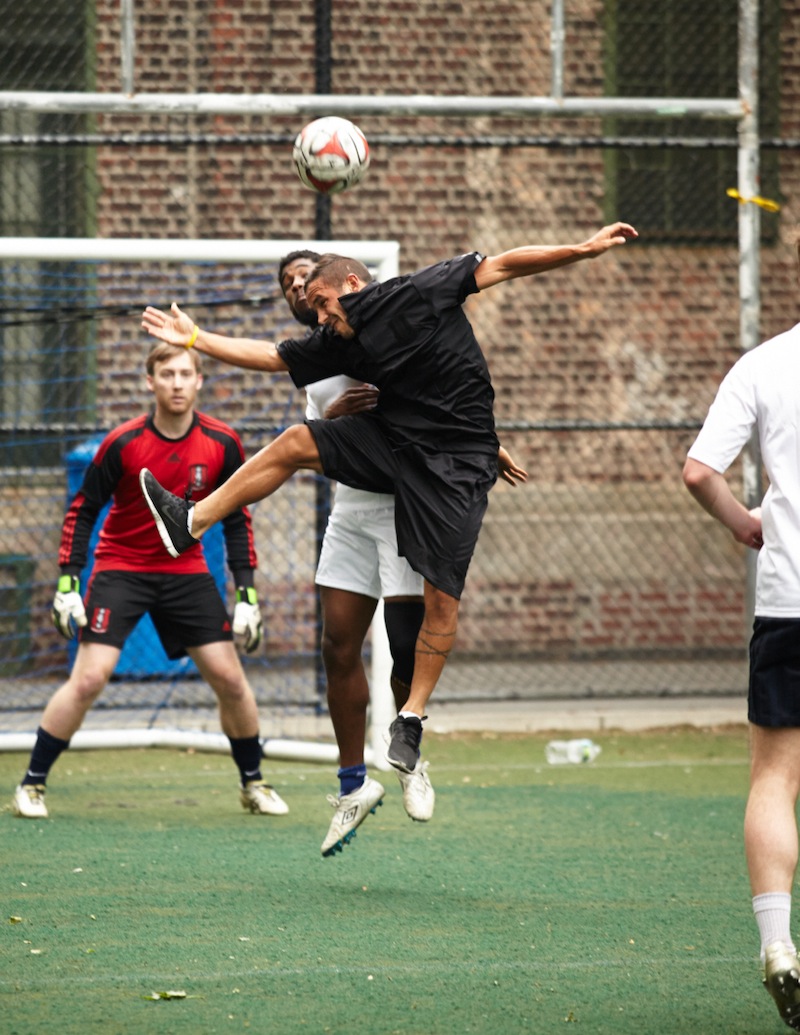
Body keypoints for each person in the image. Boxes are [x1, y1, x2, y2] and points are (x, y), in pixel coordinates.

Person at [139, 223, 635, 786]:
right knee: (296, 441)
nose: (317, 312)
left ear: (351, 281)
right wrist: (196, 339)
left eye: (321, 299)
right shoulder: (337, 339)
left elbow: (503, 265)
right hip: (394, 448)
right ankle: (192, 519)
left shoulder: (417, 291)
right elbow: (273, 356)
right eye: (303, 300)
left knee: (440, 603)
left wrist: (581, 249)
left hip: (455, 463)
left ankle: (412, 720)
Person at [11, 343, 289, 820]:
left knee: (230, 679)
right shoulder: (122, 442)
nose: (177, 383)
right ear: (150, 381)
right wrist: (67, 583)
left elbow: (237, 519)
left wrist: (247, 596)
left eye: (186, 373)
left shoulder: (222, 443)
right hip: (122, 569)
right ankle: (32, 785)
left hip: (187, 572)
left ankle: (253, 783)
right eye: (167, 374)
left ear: (199, 381)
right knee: (90, 678)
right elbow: (82, 512)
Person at [280, 249, 429, 856]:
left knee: (401, 648)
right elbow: (318, 454)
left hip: (405, 506)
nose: (298, 288)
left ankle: (411, 757)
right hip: (351, 509)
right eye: (288, 285)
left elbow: (431, 403)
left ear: (334, 284)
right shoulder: (310, 366)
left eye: (306, 279)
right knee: (337, 644)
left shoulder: (386, 334)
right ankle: (351, 786)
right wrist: (332, 424)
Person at [683, 306, 800, 1030]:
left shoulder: (763, 364)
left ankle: (778, 943)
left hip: (789, 597)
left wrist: (741, 521)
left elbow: (699, 472)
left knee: (774, 777)